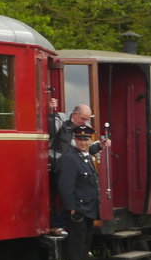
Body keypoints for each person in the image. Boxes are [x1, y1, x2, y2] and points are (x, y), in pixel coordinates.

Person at [47, 100, 110, 234]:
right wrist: (52, 112)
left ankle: (64, 223)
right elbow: (51, 131)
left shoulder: (85, 128)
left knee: (74, 194)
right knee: (63, 194)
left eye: (87, 119)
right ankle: (57, 224)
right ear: (74, 114)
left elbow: (88, 148)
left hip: (72, 167)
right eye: (83, 119)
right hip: (55, 166)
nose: (84, 122)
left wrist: (100, 145)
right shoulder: (61, 118)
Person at [57, 124, 100, 260]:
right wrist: (72, 209)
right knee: (76, 251)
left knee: (83, 250)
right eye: (80, 139)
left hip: (89, 210)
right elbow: (65, 186)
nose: (83, 142)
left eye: (86, 139)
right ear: (75, 140)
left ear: (90, 140)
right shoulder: (70, 158)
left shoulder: (86, 158)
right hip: (79, 212)